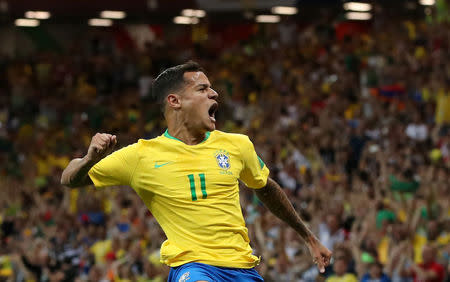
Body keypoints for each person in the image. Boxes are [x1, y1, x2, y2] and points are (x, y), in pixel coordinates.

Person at [60, 61, 332, 282]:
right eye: (202, 89)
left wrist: (309, 237)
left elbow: (266, 188)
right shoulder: (141, 155)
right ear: (175, 101)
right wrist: (89, 158)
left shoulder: (237, 145)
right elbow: (69, 179)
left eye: (212, 89)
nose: (214, 94)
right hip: (193, 269)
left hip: (243, 269)